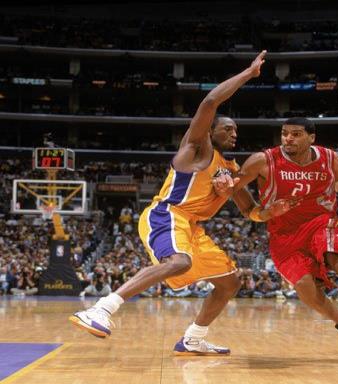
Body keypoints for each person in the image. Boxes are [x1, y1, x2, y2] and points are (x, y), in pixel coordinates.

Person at [70, 51, 288, 355]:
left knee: (230, 282)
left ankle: (193, 338)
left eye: (236, 130)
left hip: (193, 228)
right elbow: (210, 102)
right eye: (227, 128)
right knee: (179, 262)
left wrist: (269, 212)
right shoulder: (197, 148)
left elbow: (250, 211)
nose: (234, 133)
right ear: (210, 131)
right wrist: (248, 74)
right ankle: (101, 308)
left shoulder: (232, 170)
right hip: (168, 214)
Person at [215, 117, 338, 359]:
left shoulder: (330, 158)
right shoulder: (263, 160)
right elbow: (232, 188)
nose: (288, 139)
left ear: (311, 137)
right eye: (285, 133)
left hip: (322, 223)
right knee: (305, 288)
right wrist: (225, 182)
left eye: (296, 134)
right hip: (283, 233)